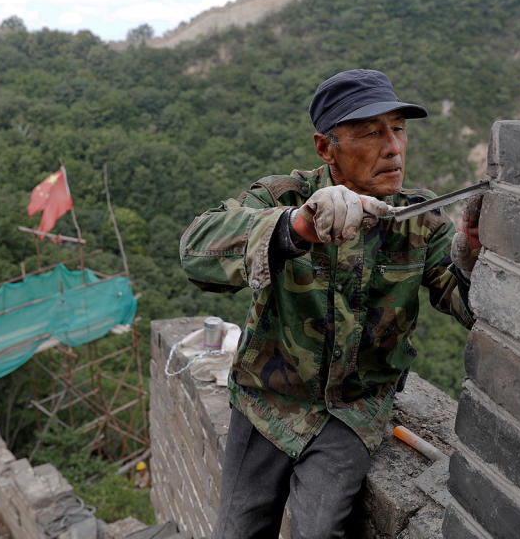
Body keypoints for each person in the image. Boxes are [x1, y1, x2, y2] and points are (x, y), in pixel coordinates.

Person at [180, 69, 482, 538]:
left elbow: (466, 305)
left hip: (352, 410)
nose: (393, 148)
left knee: (319, 530)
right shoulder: (286, 197)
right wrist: (295, 227)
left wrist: (472, 263)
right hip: (266, 399)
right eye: (370, 133)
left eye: (398, 129)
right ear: (326, 148)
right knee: (237, 530)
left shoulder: (419, 219)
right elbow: (196, 250)